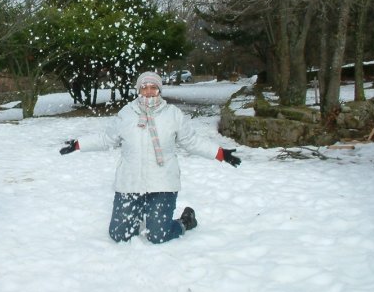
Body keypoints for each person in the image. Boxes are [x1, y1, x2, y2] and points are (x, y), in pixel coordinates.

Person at [59, 71, 241, 244]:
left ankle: (185, 222)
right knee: (119, 235)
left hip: (162, 183)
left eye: (153, 87)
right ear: (138, 90)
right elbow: (107, 139)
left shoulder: (173, 114)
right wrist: (78, 144)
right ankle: (138, 213)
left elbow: (191, 141)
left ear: (159, 90)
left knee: (158, 235)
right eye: (144, 87)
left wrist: (220, 153)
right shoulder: (127, 114)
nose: (148, 91)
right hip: (130, 182)